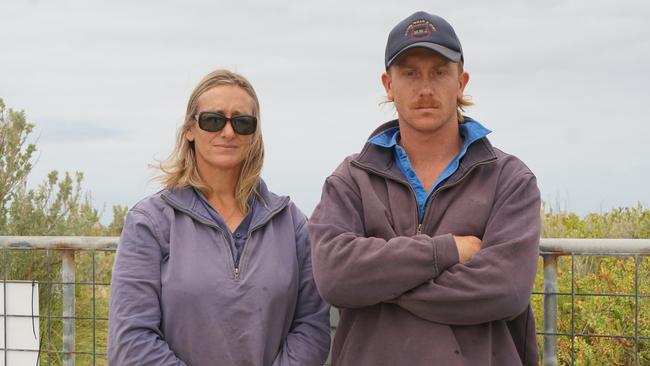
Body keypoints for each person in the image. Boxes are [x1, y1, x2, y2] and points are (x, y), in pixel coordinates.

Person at [309, 11, 540, 366]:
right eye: (410, 73)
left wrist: (381, 284)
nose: (425, 88)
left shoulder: (509, 180)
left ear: (460, 82)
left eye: (439, 72)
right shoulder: (351, 180)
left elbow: (505, 291)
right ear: (388, 84)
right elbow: (335, 277)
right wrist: (446, 252)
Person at [108, 69, 330, 366]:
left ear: (254, 135)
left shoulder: (292, 224)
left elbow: (311, 326)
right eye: (213, 120)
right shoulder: (150, 222)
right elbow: (131, 340)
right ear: (190, 129)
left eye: (242, 122)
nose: (228, 132)